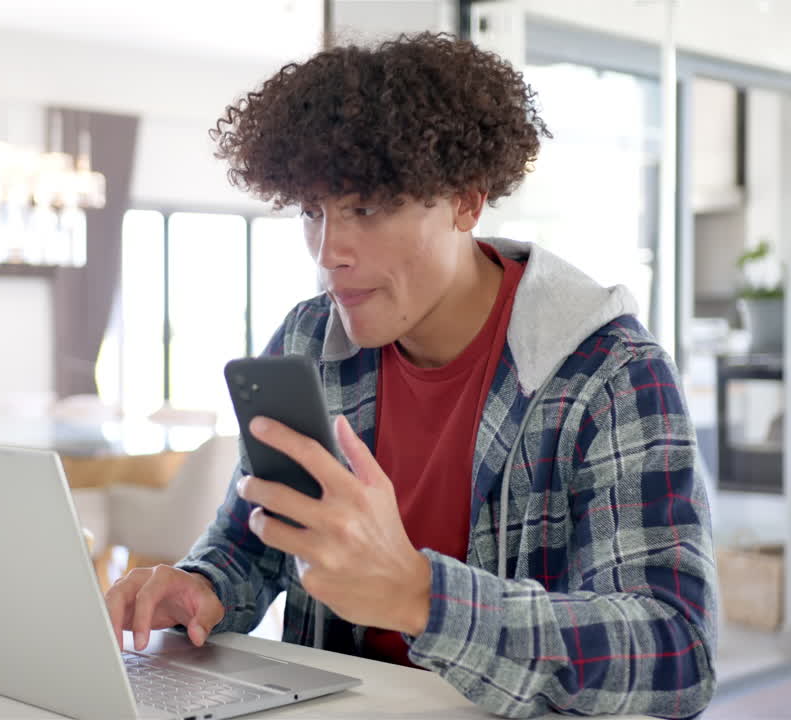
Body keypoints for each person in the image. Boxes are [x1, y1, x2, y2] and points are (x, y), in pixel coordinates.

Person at [104, 32, 717, 719]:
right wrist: (203, 586)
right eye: (313, 211)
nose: (329, 251)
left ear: (466, 201)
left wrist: (423, 598)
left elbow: (676, 654)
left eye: (366, 208)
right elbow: (254, 538)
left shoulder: (609, 375)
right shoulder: (308, 339)